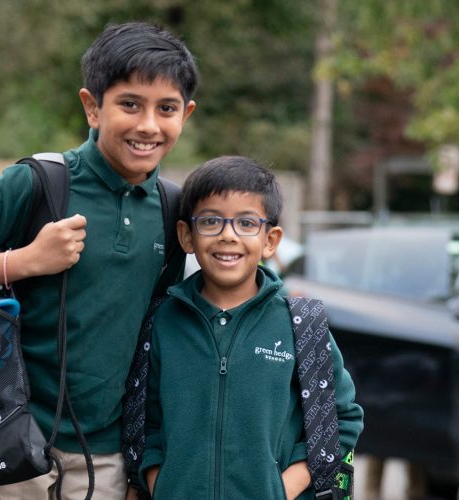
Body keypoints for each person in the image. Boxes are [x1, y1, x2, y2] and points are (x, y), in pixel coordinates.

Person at [0, 21, 198, 500]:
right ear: (92, 107)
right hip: (6, 439)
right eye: (129, 104)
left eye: (165, 108)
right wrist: (23, 261)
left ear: (185, 114)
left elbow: (156, 335)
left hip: (104, 457)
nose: (148, 125)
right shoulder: (34, 183)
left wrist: (140, 459)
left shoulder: (172, 210)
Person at [139, 156, 364, 499]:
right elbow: (145, 422)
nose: (228, 235)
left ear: (270, 240)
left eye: (246, 223)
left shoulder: (300, 325)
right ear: (186, 235)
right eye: (211, 221)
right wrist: (161, 483)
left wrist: (283, 489)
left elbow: (341, 417)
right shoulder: (162, 322)